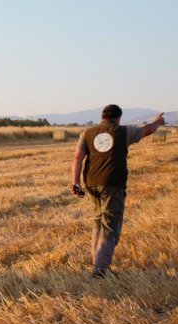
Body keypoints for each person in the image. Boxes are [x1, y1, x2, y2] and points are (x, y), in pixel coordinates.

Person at [69, 104, 165, 277]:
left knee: (99, 221)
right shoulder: (123, 132)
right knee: (110, 226)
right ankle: (100, 270)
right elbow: (147, 130)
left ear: (102, 116)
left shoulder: (87, 133)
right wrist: (158, 122)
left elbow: (78, 157)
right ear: (118, 118)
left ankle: (97, 262)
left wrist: (75, 182)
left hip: (91, 183)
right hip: (112, 183)